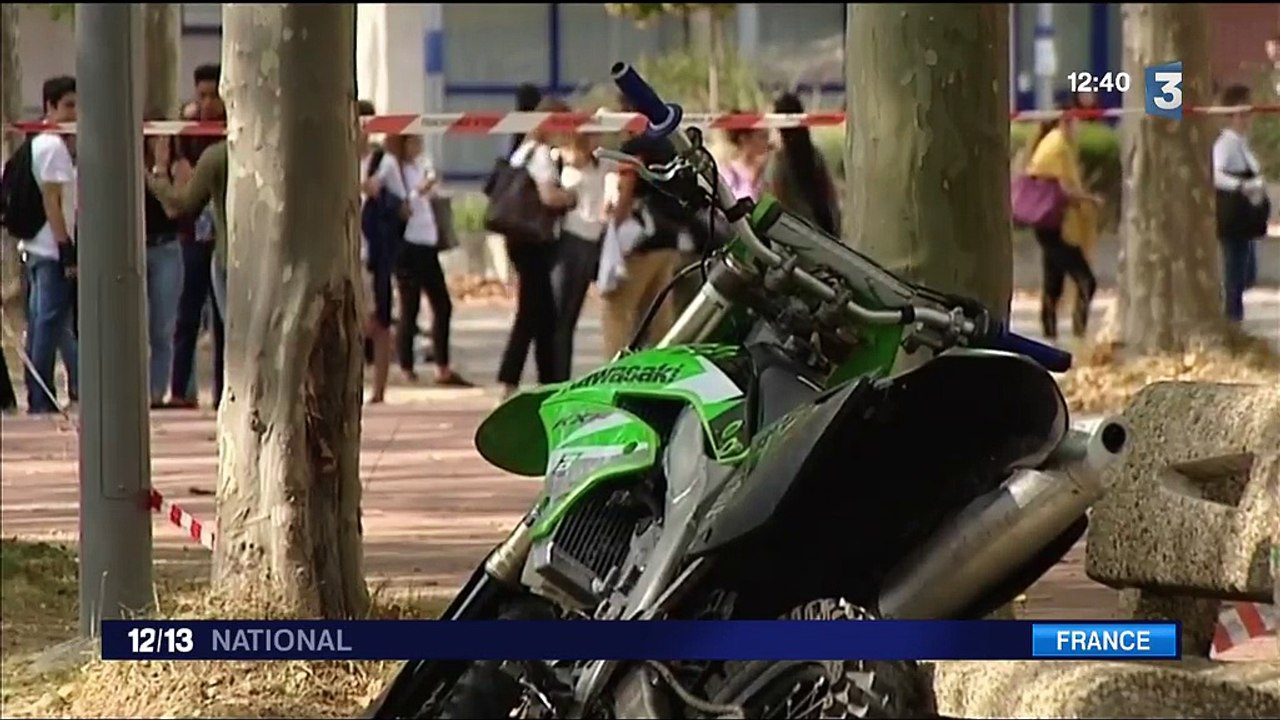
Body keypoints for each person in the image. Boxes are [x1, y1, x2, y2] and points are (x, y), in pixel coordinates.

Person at [496, 97, 578, 398]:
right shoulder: (541, 154)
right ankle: (511, 382)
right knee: (533, 313)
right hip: (533, 242)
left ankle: (548, 382)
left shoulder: (524, 149)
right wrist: (572, 196)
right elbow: (548, 196)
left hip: (520, 240)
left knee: (543, 315)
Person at [600, 93, 685, 360]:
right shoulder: (669, 143)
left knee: (617, 311)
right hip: (670, 238)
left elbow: (626, 193)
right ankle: (666, 372)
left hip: (642, 241)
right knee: (660, 317)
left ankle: (613, 373)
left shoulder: (634, 147)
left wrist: (613, 227)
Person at [392, 133, 471, 387]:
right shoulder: (396, 170)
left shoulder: (417, 167)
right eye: (414, 141)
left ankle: (442, 365)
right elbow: (400, 204)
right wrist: (420, 190)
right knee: (409, 306)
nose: (419, 146)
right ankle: (406, 366)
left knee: (441, 305)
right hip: (409, 244)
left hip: (426, 244)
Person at [21, 76, 79, 414]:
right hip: (50, 248)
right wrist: (66, 248)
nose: (74, 112)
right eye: (68, 105)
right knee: (47, 324)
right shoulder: (53, 147)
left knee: (52, 323)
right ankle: (40, 396)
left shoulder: (43, 142)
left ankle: (69, 387)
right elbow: (52, 202)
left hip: (40, 247)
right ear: (50, 108)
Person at [145, 99, 229, 332]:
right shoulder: (217, 156)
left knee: (173, 329)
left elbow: (179, 206)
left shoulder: (215, 156)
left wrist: (159, 173)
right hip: (221, 255)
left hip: (192, 249)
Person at [1023, 109, 1101, 340]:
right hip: (1056, 225)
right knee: (1086, 280)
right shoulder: (1056, 146)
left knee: (1053, 281)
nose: (1078, 128)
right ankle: (1078, 335)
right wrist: (1088, 199)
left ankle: (1050, 336)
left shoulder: (1057, 144)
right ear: (1067, 121)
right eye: (1076, 122)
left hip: (1051, 225)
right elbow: (1060, 189)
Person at [169, 98, 226, 409]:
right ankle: (180, 389)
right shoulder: (186, 137)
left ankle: (223, 391)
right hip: (193, 241)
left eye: (211, 96)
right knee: (187, 317)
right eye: (201, 96)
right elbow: (184, 203)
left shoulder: (225, 146)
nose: (206, 105)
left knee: (223, 323)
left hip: (219, 243)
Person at [551, 127, 609, 381]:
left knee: (571, 313)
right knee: (559, 315)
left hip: (591, 240)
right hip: (569, 239)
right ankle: (556, 375)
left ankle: (560, 373)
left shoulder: (602, 163)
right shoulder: (560, 161)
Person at [1213, 84, 1269, 323]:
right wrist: (1241, 186)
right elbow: (1215, 174)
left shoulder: (1241, 144)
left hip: (1246, 221)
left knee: (1246, 274)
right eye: (1242, 115)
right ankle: (1231, 320)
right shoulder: (1226, 144)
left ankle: (1231, 314)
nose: (1247, 120)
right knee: (1235, 274)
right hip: (1234, 218)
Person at [142, 110, 186, 408]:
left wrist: (159, 170)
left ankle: (156, 393)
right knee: (136, 324)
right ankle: (136, 390)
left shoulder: (178, 166)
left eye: (163, 136)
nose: (159, 142)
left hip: (167, 249)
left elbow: (174, 208)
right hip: (135, 250)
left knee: (162, 326)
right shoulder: (128, 165)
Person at [765, 92, 841, 236]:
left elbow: (776, 205)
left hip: (797, 238)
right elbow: (831, 197)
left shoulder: (778, 163)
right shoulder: (815, 155)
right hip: (825, 234)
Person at [722, 115, 771, 202]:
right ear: (744, 139)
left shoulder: (769, 167)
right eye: (762, 137)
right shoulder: (730, 171)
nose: (767, 141)